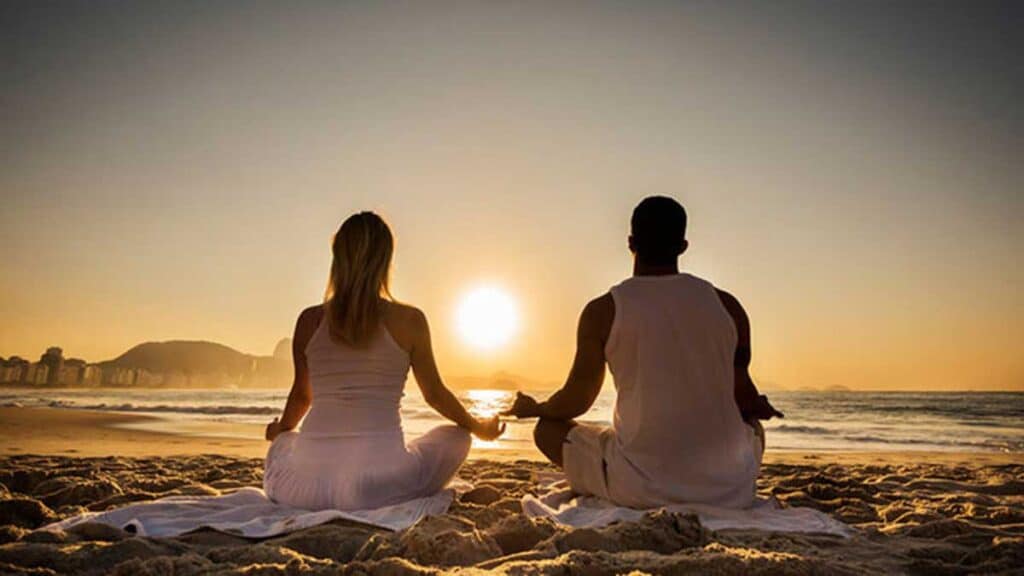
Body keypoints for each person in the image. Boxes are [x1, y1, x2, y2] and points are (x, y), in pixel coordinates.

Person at [504, 196, 782, 509]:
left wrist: (535, 408)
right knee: (752, 428)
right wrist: (759, 407)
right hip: (729, 490)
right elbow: (743, 396)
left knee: (548, 429)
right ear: (683, 246)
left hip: (639, 488)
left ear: (631, 242)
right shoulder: (728, 306)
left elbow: (576, 400)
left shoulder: (604, 310)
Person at [263, 211, 504, 511]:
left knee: (284, 442)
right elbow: (435, 394)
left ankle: (297, 448)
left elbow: (302, 395)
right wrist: (476, 426)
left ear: (338, 258)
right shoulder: (410, 320)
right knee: (457, 437)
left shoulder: (309, 320)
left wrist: (281, 429)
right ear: (385, 260)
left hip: (304, 489)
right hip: (377, 488)